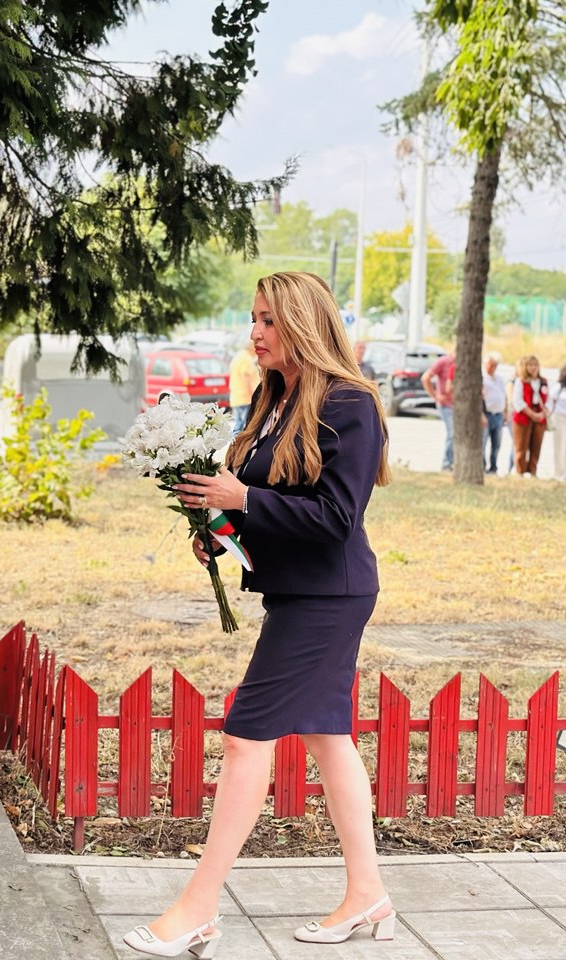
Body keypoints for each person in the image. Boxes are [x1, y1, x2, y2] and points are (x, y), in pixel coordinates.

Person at [127, 271, 393, 957]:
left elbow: (335, 517)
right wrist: (221, 531)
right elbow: (267, 494)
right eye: (254, 318)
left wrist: (241, 501)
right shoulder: (271, 396)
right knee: (328, 738)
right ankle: (367, 894)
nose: (255, 332)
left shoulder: (351, 404)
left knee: (247, 737)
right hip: (299, 590)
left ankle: (197, 907)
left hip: (329, 596)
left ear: (304, 322)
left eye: (269, 320)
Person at [510, 355, 549, 477]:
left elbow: (548, 400)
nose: (533, 368)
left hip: (539, 418)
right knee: (521, 447)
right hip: (523, 418)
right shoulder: (520, 381)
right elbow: (517, 401)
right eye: (530, 365)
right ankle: (520, 471)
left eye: (535, 365)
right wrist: (532, 414)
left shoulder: (543, 381)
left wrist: (542, 413)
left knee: (536, 446)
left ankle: (533, 471)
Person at [422, 351, 457, 470]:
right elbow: (426, 378)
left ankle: (454, 462)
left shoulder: (464, 363)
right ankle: (447, 464)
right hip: (446, 405)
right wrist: (436, 396)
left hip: (459, 407)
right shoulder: (444, 362)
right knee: (452, 432)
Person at [481, 353, 506, 474]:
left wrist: (505, 411)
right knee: (483, 442)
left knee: (497, 444)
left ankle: (493, 466)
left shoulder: (499, 379)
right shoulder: (482, 378)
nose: (492, 367)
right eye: (490, 365)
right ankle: (482, 466)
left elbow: (504, 396)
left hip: (498, 415)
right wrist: (481, 414)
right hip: (486, 414)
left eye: (495, 365)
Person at [228, 340, 261, 434]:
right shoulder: (246, 360)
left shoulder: (239, 356)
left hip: (237, 396)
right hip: (246, 397)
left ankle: (235, 441)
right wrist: (255, 396)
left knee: (239, 424)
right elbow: (246, 378)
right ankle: (237, 442)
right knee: (245, 425)